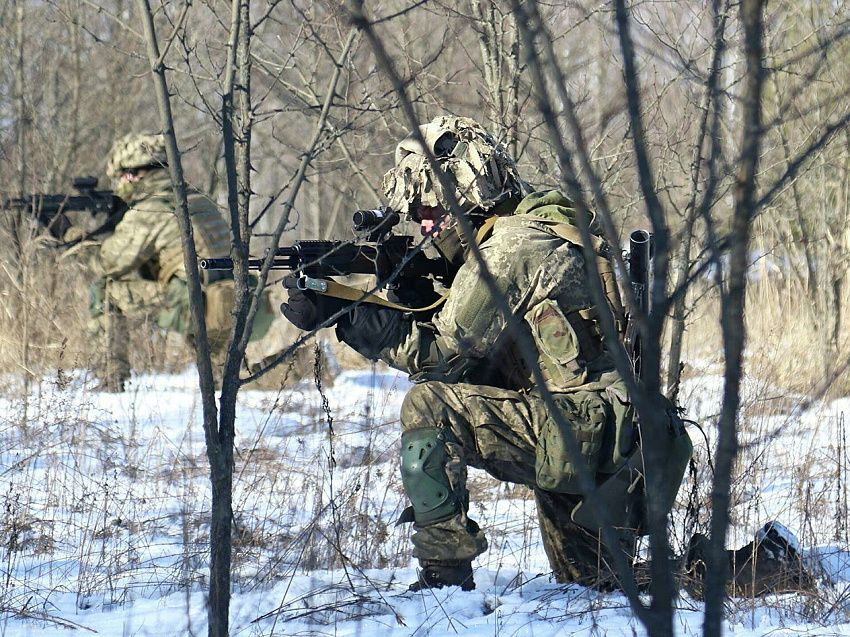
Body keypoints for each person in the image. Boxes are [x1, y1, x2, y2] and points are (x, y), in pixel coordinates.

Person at [279, 116, 810, 595]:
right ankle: (764, 565)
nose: (424, 225)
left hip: (585, 428)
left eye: (429, 211)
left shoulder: (510, 247)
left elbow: (442, 357)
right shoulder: (537, 219)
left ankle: (444, 577)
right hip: (610, 432)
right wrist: (408, 288)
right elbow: (490, 349)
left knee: (429, 406)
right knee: (595, 581)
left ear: (466, 195)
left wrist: (345, 314)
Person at [87, 133, 273, 391]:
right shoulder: (198, 200)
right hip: (234, 298)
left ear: (134, 174)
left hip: (196, 303)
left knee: (104, 291)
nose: (119, 185)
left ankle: (111, 380)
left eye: (120, 177)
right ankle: (305, 364)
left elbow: (107, 263)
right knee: (228, 380)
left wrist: (71, 236)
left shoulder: (149, 210)